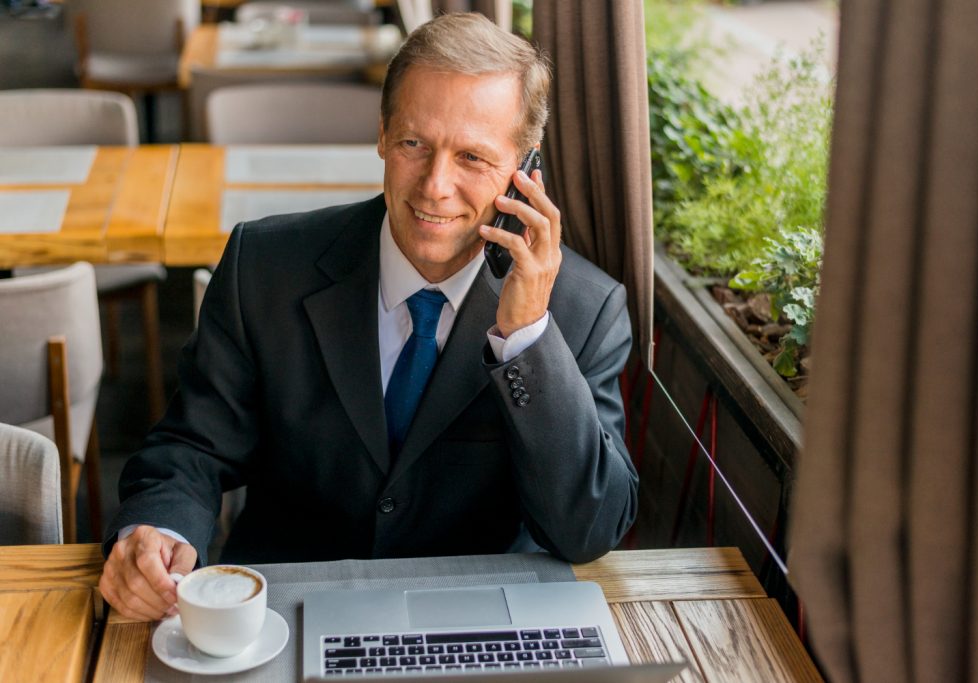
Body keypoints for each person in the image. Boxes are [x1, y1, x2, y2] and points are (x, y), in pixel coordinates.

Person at [99, 12, 637, 622]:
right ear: (382, 134)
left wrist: (526, 339)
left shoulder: (583, 309)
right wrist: (156, 526)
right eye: (414, 143)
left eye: (472, 157)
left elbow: (588, 530)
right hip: (282, 613)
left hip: (477, 622)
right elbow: (192, 446)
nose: (435, 185)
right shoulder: (264, 266)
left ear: (525, 170)